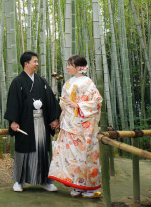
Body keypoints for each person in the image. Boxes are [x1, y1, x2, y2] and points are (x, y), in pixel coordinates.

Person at [4, 51, 61, 192]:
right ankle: (19, 181)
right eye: (34, 61)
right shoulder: (17, 82)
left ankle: (46, 181)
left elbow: (51, 101)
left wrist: (54, 118)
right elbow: (13, 103)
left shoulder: (41, 81)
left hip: (41, 121)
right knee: (23, 151)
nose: (37, 64)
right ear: (26, 63)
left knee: (42, 151)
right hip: (25, 123)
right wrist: (13, 120)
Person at [48, 55, 104, 198]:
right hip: (69, 123)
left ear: (79, 67)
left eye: (70, 64)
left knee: (84, 155)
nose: (67, 67)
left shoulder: (87, 82)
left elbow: (97, 101)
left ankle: (90, 187)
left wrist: (79, 105)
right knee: (71, 156)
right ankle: (77, 184)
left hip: (82, 124)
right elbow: (63, 103)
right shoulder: (68, 82)